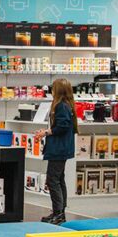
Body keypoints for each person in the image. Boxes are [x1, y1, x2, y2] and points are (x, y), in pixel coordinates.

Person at [35, 79, 77, 224]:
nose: (51, 91)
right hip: (62, 148)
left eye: (53, 88)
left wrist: (46, 132)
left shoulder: (61, 106)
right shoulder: (66, 105)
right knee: (58, 179)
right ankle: (59, 212)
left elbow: (62, 127)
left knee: (52, 180)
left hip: (59, 148)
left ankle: (58, 213)